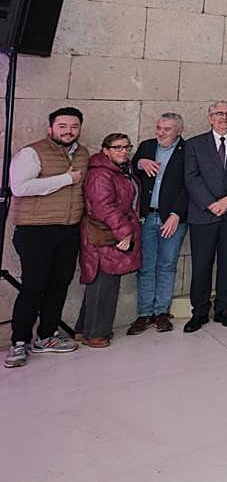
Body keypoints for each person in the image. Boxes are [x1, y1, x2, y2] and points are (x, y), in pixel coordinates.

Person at [6, 107, 89, 366]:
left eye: (74, 126)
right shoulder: (32, 152)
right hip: (35, 230)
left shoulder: (82, 154)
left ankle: (47, 335)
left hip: (68, 229)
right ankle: (19, 342)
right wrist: (65, 179)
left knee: (59, 285)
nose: (68, 131)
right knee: (33, 287)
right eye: (62, 126)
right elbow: (19, 187)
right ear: (51, 128)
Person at [183, 101, 227, 333]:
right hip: (203, 215)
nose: (223, 117)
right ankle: (199, 311)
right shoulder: (194, 144)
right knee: (201, 265)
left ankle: (224, 309)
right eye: (218, 114)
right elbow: (191, 178)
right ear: (210, 118)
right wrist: (211, 204)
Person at [73, 133, 140, 348]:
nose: (123, 151)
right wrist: (125, 232)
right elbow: (105, 207)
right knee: (105, 283)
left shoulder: (120, 169)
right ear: (105, 150)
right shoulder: (101, 174)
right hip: (106, 234)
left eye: (126, 147)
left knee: (100, 282)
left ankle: (83, 329)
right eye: (117, 147)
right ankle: (96, 333)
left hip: (109, 231)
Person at [128, 113, 188, 336]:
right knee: (145, 266)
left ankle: (162, 312)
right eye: (159, 128)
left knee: (167, 265)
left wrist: (176, 214)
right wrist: (139, 162)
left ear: (179, 131)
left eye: (167, 129)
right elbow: (131, 168)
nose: (161, 132)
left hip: (172, 218)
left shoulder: (188, 150)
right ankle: (144, 313)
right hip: (147, 216)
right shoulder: (146, 146)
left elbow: (189, 185)